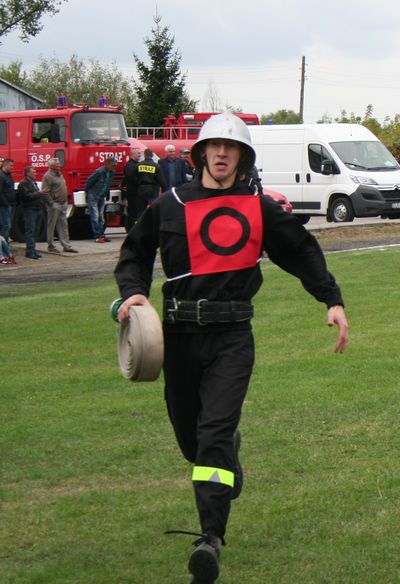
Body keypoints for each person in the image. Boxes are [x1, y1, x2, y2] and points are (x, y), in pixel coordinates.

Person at [115, 112, 348, 583]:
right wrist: (133, 291)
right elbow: (134, 252)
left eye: (232, 147)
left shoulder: (258, 207)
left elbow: (300, 250)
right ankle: (226, 456)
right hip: (178, 338)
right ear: (201, 153)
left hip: (232, 338)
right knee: (191, 439)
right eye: (214, 147)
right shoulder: (168, 204)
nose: (222, 154)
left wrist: (332, 299)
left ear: (242, 158)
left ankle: (210, 539)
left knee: (214, 435)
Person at [40, 157, 77, 253]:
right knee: (51, 225)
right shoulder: (47, 176)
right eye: (57, 164)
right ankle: (51, 245)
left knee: (63, 225)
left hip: (63, 203)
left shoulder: (59, 175)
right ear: (52, 166)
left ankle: (66, 245)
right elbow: (45, 191)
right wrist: (52, 203)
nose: (59, 165)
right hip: (55, 204)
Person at [16, 165, 48, 259]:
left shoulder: (33, 183)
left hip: (38, 209)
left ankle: (33, 250)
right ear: (27, 173)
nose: (35, 173)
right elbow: (27, 196)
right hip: (30, 209)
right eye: (33, 172)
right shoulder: (23, 184)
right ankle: (29, 252)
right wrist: (39, 193)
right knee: (30, 230)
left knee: (36, 231)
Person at [84, 157, 117, 243]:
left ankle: (101, 235)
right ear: (107, 164)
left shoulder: (111, 172)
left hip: (101, 196)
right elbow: (89, 182)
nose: (114, 167)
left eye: (115, 166)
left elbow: (108, 184)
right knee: (95, 216)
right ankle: (97, 236)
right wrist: (87, 193)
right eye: (113, 165)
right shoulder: (99, 172)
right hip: (93, 195)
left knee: (101, 217)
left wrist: (107, 193)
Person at [122, 147, 143, 231]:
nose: (140, 155)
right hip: (132, 192)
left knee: (134, 212)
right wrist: (140, 181)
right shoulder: (130, 165)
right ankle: (130, 229)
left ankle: (131, 229)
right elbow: (131, 177)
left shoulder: (135, 164)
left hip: (135, 192)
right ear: (132, 155)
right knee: (132, 213)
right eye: (138, 153)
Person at [0, 159, 17, 263]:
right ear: (5, 165)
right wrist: (6, 203)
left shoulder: (8, 176)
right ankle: (4, 251)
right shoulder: (1, 176)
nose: (12, 168)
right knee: (5, 228)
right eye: (11, 166)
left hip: (10, 205)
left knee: (7, 227)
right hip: (4, 206)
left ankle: (6, 251)